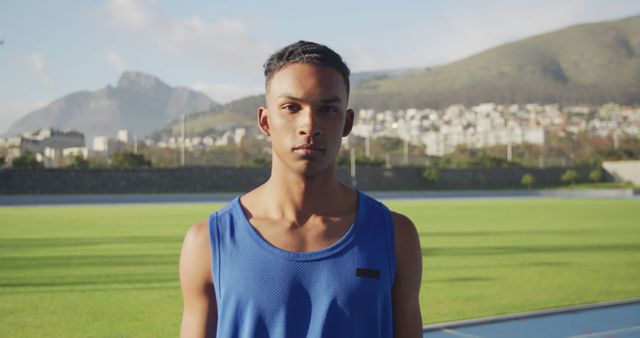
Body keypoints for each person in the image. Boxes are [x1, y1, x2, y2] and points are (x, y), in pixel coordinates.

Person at [179, 41, 422, 338]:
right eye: (291, 107)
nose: (309, 124)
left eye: (328, 109)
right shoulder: (207, 243)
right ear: (265, 121)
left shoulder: (396, 236)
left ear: (347, 123)